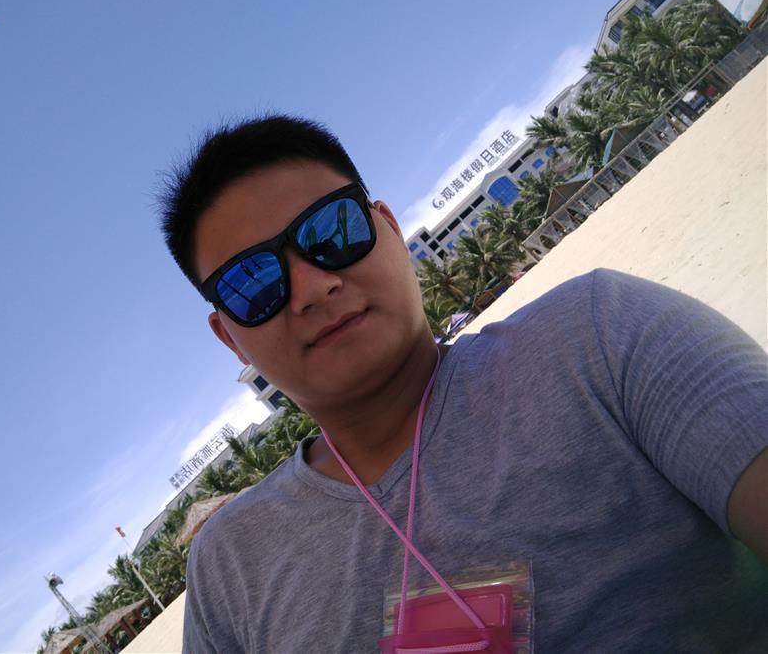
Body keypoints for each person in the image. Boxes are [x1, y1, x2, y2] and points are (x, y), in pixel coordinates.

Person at [158, 115, 768, 652]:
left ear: (389, 228)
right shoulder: (230, 566)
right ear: (231, 338)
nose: (313, 288)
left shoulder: (599, 337)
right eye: (253, 284)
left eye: (332, 231)